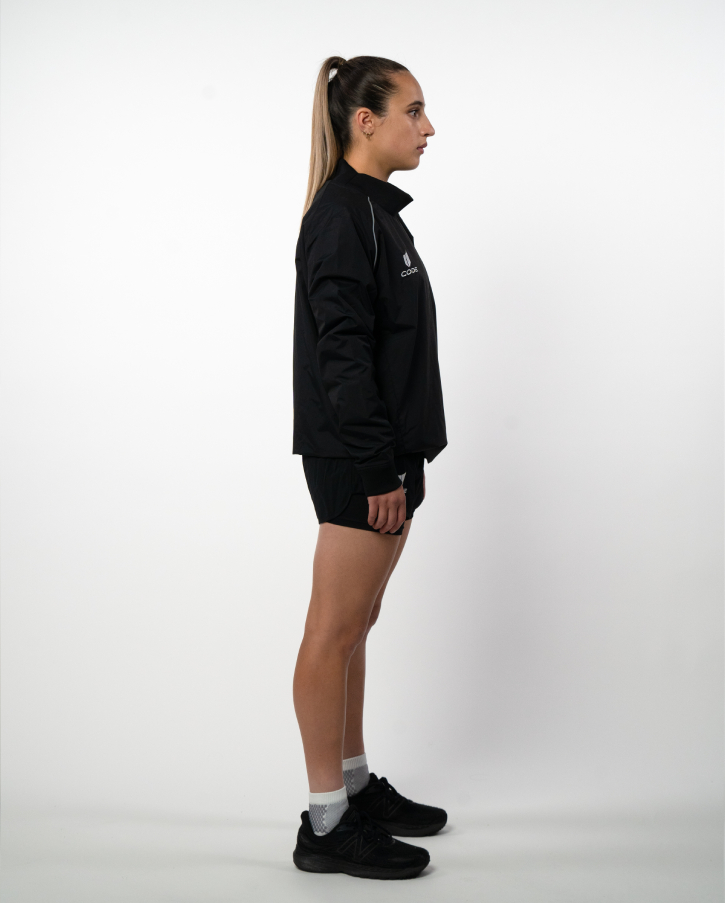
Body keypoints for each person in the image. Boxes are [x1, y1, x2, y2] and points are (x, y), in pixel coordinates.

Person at [291, 55, 448, 880]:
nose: (428, 128)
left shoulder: (376, 214)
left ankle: (352, 788)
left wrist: (399, 460)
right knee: (332, 630)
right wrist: (378, 467)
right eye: (412, 111)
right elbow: (341, 353)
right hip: (362, 457)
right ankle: (325, 823)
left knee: (357, 625)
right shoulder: (341, 217)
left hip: (388, 452)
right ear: (365, 120)